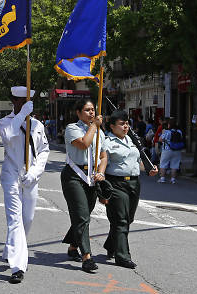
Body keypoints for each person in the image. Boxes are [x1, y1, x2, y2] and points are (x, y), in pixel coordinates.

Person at [0, 86, 50, 284]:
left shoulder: (37, 124)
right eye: (20, 101)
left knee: (27, 219)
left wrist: (35, 172)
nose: (24, 104)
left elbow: (44, 150)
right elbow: (8, 136)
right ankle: (18, 266)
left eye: (27, 102)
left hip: (31, 177)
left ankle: (9, 250)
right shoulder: (6, 122)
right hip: (11, 176)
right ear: (14, 101)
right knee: (15, 220)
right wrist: (22, 116)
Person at [97, 110, 157, 269]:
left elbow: (137, 162)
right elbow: (103, 161)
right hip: (116, 183)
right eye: (122, 124)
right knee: (121, 220)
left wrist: (149, 169)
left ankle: (112, 245)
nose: (125, 127)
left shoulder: (132, 140)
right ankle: (122, 256)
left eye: (127, 123)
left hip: (134, 183)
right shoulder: (107, 142)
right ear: (112, 126)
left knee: (128, 218)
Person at [61, 99, 105, 273]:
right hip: (74, 175)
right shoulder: (73, 128)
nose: (91, 113)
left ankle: (73, 246)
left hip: (92, 176)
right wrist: (94, 126)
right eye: (87, 110)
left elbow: (103, 155)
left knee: (84, 215)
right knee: (81, 216)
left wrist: (101, 171)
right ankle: (86, 256)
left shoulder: (100, 131)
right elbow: (84, 144)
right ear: (78, 113)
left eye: (93, 110)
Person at [158, 118, 183, 184]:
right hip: (177, 150)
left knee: (163, 163)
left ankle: (162, 178)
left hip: (167, 149)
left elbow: (160, 139)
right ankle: (173, 179)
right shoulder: (179, 132)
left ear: (169, 125)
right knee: (174, 165)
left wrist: (163, 134)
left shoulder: (167, 132)